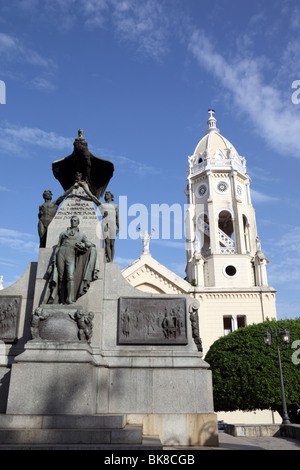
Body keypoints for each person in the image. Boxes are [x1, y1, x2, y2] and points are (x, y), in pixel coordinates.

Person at [49, 215, 98, 304]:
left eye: (75, 220)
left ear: (78, 222)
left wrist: (84, 245)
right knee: (61, 277)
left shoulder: (81, 235)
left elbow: (89, 243)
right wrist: (53, 260)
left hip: (71, 254)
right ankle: (61, 299)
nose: (73, 222)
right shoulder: (63, 233)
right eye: (72, 220)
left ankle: (69, 298)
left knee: (70, 276)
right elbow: (58, 247)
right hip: (61, 253)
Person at [78, 181, 119, 262]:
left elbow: (117, 217)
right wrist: (84, 187)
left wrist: (119, 227)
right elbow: (91, 196)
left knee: (112, 244)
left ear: (111, 196)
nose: (106, 195)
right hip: (105, 224)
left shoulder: (115, 206)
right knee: (107, 242)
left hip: (113, 224)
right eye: (105, 194)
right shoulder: (101, 204)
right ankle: (109, 260)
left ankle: (111, 260)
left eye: (108, 194)